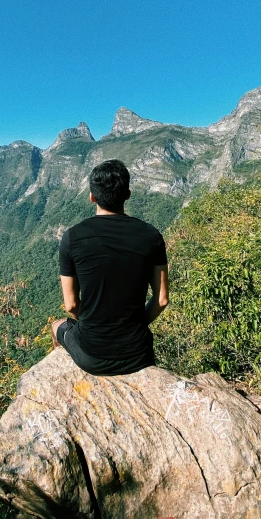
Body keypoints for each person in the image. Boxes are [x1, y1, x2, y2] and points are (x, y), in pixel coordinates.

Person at [51, 159, 169, 376]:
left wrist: (96, 324)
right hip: (138, 355)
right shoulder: (151, 236)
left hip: (91, 356)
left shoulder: (72, 237)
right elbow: (161, 299)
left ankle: (62, 376)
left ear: (92, 197)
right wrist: (131, 326)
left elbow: (70, 305)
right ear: (128, 194)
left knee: (57, 325)